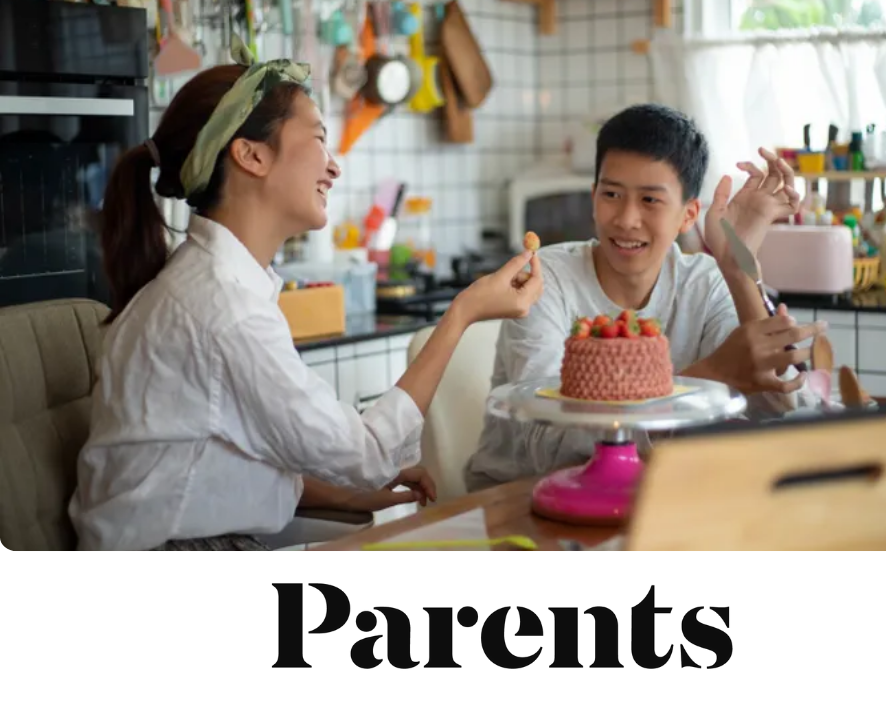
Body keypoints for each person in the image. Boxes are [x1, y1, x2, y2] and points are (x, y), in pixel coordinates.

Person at [68, 37, 543, 551]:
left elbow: (204, 466)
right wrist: (464, 311)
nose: (334, 166)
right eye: (318, 137)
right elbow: (367, 454)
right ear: (250, 155)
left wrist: (346, 496)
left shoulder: (210, 288)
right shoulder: (222, 310)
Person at [464, 103, 825, 493]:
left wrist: (738, 263)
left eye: (650, 200)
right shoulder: (542, 281)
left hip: (652, 497)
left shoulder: (705, 283)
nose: (626, 219)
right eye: (612, 194)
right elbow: (548, 446)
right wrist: (709, 379)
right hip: (517, 502)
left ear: (688, 216)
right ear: (594, 196)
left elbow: (782, 407)